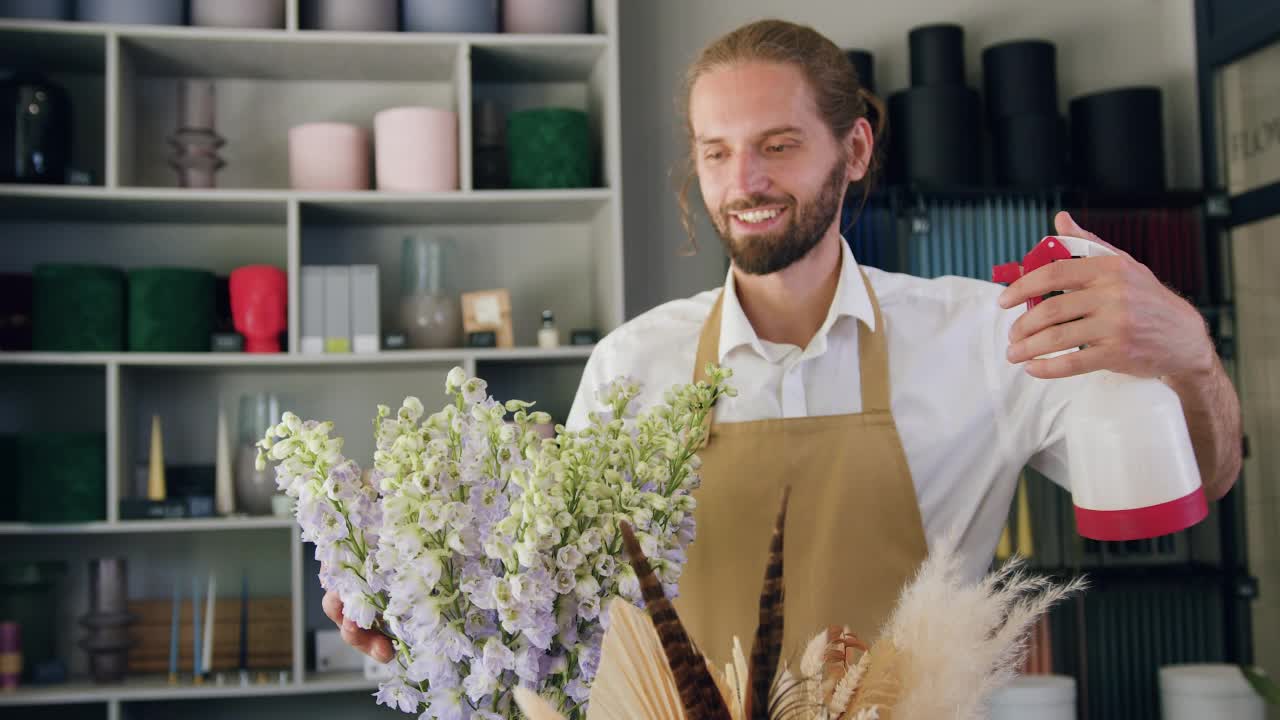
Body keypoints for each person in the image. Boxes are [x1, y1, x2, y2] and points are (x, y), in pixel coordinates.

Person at [326, 18, 1242, 663]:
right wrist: (425, 617)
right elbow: (567, 605)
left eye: (777, 144)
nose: (744, 181)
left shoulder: (984, 335)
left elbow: (1202, 480)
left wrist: (1190, 355)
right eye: (716, 152)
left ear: (854, 149)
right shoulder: (631, 365)